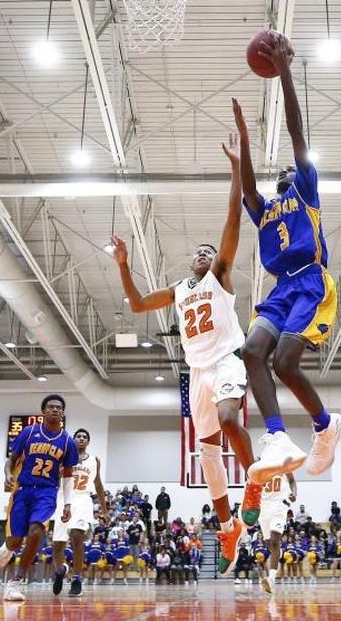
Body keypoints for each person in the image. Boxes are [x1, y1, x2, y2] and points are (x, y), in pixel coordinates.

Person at [109, 129, 259, 574]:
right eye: (198, 252)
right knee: (208, 452)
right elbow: (137, 305)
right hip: (197, 373)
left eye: (209, 252)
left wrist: (235, 167)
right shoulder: (179, 289)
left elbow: (232, 222)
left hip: (228, 359)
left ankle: (254, 487)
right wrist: (123, 265)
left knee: (232, 419)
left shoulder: (220, 277)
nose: (203, 253)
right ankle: (229, 523)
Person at [232, 38, 341, 484]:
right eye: (278, 170)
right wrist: (243, 142)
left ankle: (325, 424)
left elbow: (299, 135)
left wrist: (284, 76)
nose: (284, 170)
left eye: (290, 169)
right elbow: (246, 190)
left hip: (313, 284)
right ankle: (276, 436)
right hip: (281, 288)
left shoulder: (306, 190)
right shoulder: (267, 210)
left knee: (284, 363)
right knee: (252, 351)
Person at [0, 394, 78, 602]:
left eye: (59, 407)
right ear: (43, 411)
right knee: (16, 540)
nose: (55, 410)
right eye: (50, 407)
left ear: (63, 413)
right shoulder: (29, 432)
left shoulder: (67, 441)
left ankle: (15, 582)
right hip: (22, 490)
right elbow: (11, 460)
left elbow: (68, 476)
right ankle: (8, 548)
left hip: (47, 492)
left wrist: (68, 503)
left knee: (36, 531)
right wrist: (7, 474)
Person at [50, 428, 107, 597]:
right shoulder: (63, 456)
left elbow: (98, 485)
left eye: (84, 437)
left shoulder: (94, 461)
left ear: (88, 442)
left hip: (82, 499)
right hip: (63, 499)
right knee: (58, 545)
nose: (81, 438)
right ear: (74, 440)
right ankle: (61, 571)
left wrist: (105, 510)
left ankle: (76, 579)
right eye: (78, 436)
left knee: (76, 536)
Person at [257, 471, 297, 594]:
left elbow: (291, 480)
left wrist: (294, 493)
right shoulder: (260, 467)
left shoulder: (284, 465)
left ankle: (271, 579)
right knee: (269, 545)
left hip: (279, 506)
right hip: (263, 508)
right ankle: (279, 553)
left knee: (275, 542)